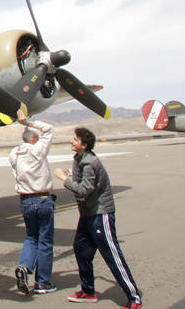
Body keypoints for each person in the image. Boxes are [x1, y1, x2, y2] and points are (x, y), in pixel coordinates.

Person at [57, 127, 143, 308]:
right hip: (87, 214)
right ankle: (88, 292)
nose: (71, 141)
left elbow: (84, 190)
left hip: (100, 214)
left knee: (112, 255)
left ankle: (134, 297)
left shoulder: (89, 162)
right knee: (81, 249)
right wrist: (73, 176)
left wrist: (64, 179)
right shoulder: (80, 158)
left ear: (84, 144)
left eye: (75, 139)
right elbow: (86, 183)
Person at [8, 109, 56, 295]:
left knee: (31, 237)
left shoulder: (14, 154)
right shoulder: (38, 150)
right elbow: (49, 129)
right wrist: (27, 122)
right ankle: (42, 283)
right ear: (35, 139)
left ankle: (24, 266)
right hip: (42, 199)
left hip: (26, 201)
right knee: (45, 241)